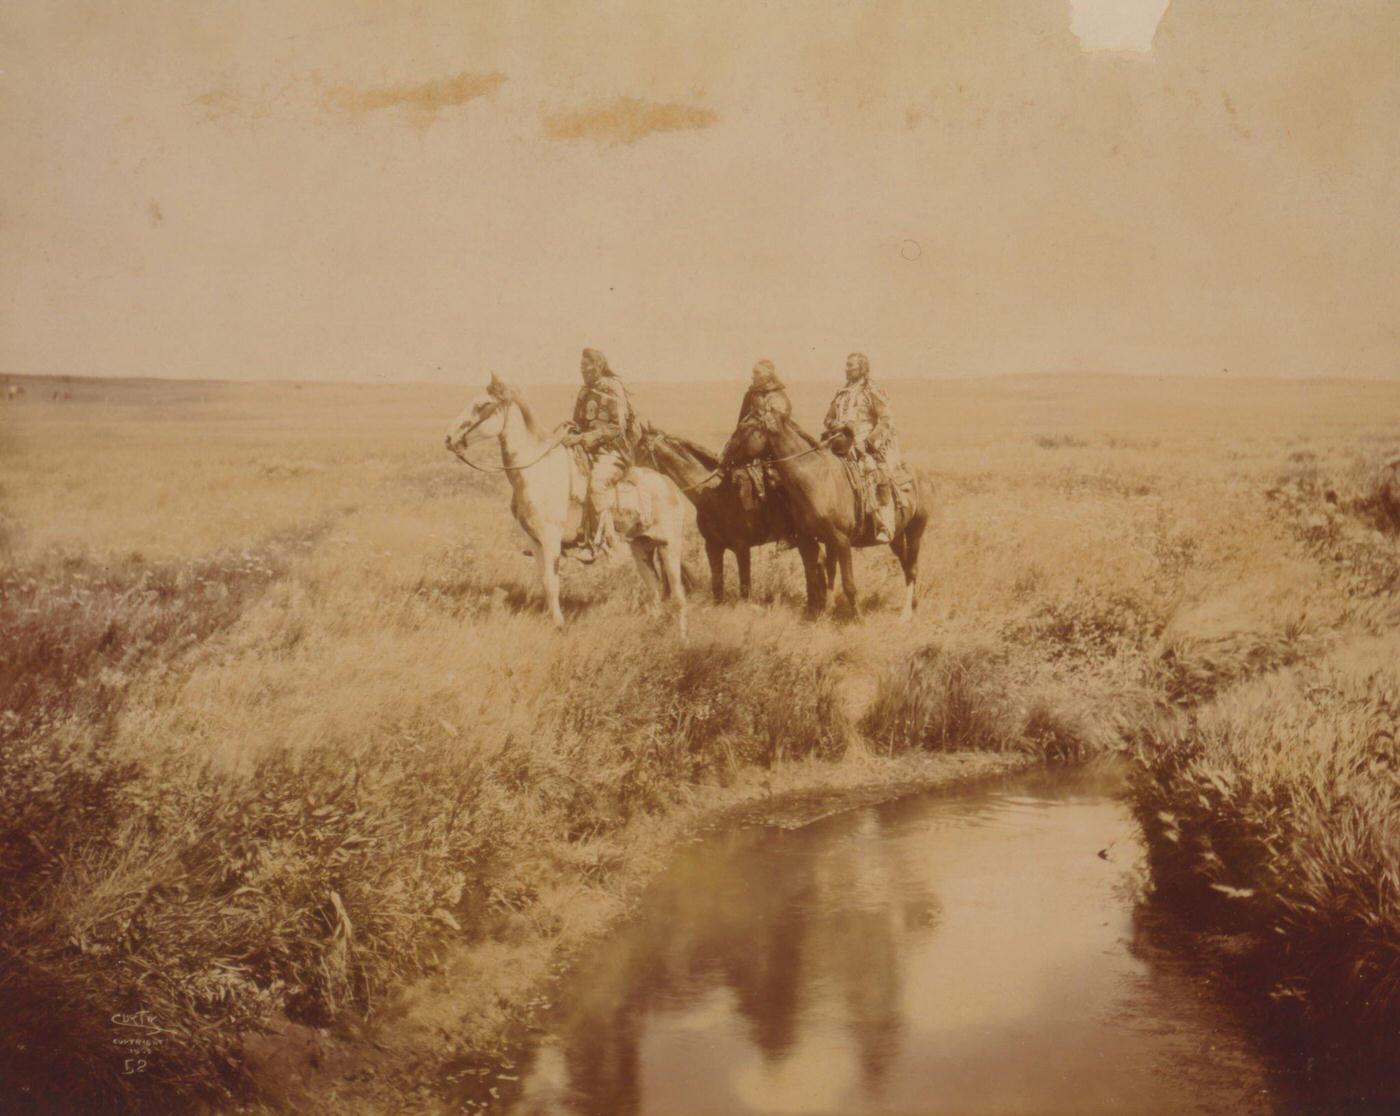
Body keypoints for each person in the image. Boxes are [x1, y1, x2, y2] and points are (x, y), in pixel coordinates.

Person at [561, 347, 637, 561]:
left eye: (587, 366)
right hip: (585, 450)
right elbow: (579, 422)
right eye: (581, 367)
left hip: (612, 451)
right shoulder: (584, 391)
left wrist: (583, 438)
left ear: (599, 366)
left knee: (596, 484)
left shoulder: (612, 389)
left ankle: (601, 541)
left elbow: (616, 428)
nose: (583, 370)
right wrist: (571, 431)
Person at [823, 352, 902, 542]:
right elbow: (827, 419)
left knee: (873, 472)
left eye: (851, 366)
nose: (847, 369)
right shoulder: (841, 392)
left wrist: (868, 442)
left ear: (862, 368)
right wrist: (838, 427)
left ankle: (885, 525)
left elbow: (885, 420)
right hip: (839, 442)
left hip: (865, 444)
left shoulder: (872, 390)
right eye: (846, 365)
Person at [722, 359, 791, 465]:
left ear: (767, 376)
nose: (752, 376)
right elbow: (741, 420)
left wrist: (753, 424)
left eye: (757, 373)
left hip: (774, 442)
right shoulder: (750, 394)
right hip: (747, 439)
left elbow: (779, 422)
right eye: (753, 373)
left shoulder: (778, 395)